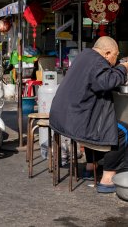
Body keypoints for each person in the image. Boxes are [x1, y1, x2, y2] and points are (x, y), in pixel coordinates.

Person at [49, 36, 128, 194]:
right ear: (107, 53)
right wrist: (123, 67)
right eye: (115, 56)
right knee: (123, 132)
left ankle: (91, 167)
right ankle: (107, 179)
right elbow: (108, 81)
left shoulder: (84, 56)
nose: (116, 59)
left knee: (104, 122)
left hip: (64, 117)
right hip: (76, 120)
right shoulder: (97, 62)